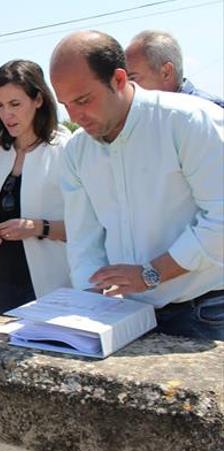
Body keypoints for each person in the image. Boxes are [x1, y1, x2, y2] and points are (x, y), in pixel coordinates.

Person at [50, 31, 224, 340]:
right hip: (124, 315)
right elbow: (84, 240)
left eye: (83, 100)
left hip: (206, 313)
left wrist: (152, 272)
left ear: (118, 79)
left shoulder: (190, 122)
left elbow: (221, 220)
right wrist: (92, 305)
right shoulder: (77, 150)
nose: (75, 117)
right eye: (65, 105)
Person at [0, 60, 71, 315]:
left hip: (54, 286)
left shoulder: (65, 150)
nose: (7, 114)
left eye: (15, 104)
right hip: (5, 283)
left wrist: (37, 227)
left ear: (38, 100)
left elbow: (88, 227)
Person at [125, 30, 224, 108]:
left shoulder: (212, 113)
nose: (127, 87)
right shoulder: (150, 116)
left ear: (166, 73)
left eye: (133, 78)